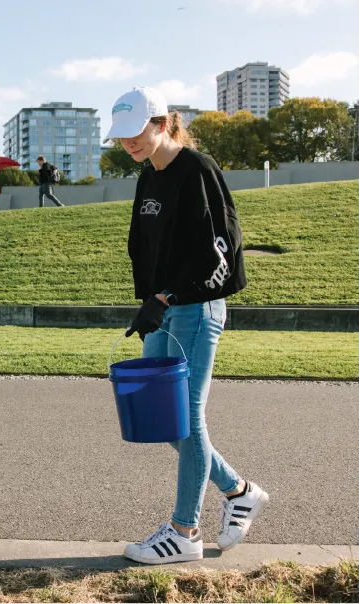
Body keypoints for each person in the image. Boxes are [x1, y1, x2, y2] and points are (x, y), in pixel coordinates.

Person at [105, 87, 268, 565]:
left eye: (135, 131)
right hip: (161, 309)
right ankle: (239, 492)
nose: (128, 142)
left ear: (162, 122)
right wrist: (148, 301)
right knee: (166, 418)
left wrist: (170, 296)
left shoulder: (197, 168)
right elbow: (145, 245)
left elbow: (223, 245)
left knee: (187, 417)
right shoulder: (147, 177)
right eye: (122, 135)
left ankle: (184, 532)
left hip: (196, 309)